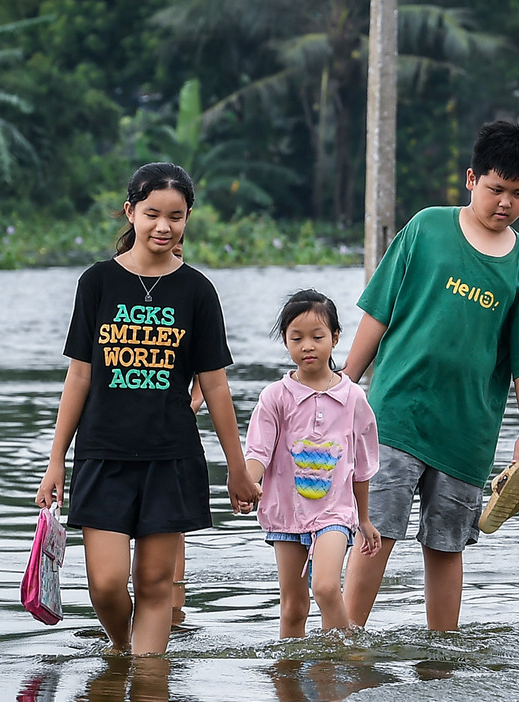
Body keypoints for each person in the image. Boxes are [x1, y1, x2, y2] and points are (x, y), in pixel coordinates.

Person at [35, 163, 260, 655]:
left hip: (171, 458)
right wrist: (56, 460)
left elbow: (216, 387)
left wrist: (237, 468)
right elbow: (79, 375)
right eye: (153, 213)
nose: (164, 226)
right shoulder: (97, 283)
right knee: (107, 586)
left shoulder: (197, 291)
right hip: (103, 455)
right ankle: (122, 655)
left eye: (176, 216)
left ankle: (151, 700)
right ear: (131, 211)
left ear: (187, 219)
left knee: (157, 589)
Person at [341, 120, 519, 632]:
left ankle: (441, 658)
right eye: (495, 189)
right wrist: (343, 388)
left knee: (446, 545)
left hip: (467, 432)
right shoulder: (426, 228)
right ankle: (342, 640)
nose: (504, 203)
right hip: (395, 414)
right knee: (376, 534)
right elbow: (379, 314)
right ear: (471, 179)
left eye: (518, 194)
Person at [244, 289, 383, 638]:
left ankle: (342, 655)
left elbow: (362, 466)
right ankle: (289, 682)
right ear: (286, 342)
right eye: (297, 338)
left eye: (317, 337)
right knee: (293, 607)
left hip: (335, 512)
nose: (307, 345)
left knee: (324, 587)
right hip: (286, 513)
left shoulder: (352, 398)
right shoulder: (274, 397)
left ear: (335, 338)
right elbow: (258, 452)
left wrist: (364, 519)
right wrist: (249, 484)